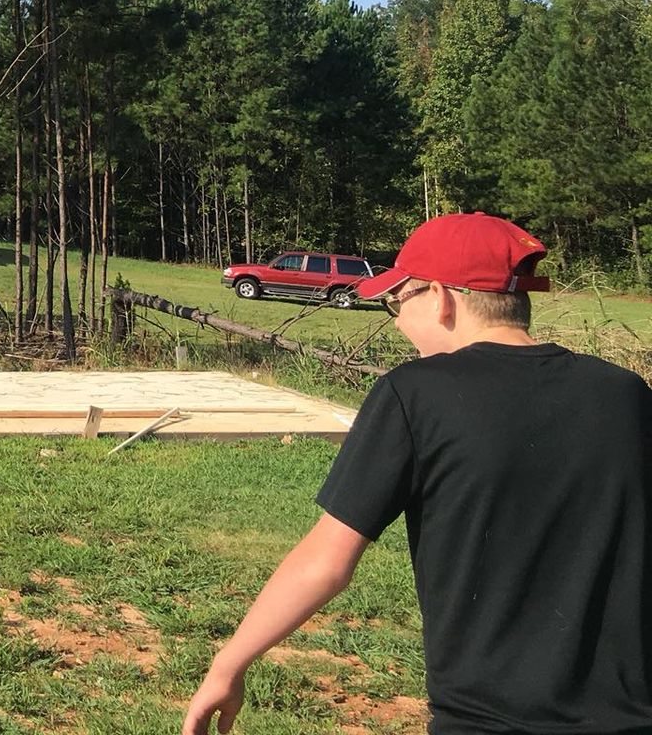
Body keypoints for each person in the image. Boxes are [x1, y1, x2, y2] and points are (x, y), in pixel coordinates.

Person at [183, 212, 652, 735]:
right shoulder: (625, 393)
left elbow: (327, 561)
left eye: (396, 302)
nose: (399, 321)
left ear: (439, 297)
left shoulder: (415, 393)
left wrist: (228, 665)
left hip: (485, 720)